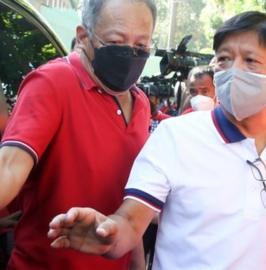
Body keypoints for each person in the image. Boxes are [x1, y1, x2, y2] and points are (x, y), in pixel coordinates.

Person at [48, 11, 266, 270]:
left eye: (250, 61)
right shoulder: (175, 136)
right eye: (224, 59)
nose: (233, 71)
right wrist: (107, 234)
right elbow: (130, 222)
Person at [0, 0, 156, 269]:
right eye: (117, 42)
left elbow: (133, 203)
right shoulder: (52, 82)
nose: (130, 54)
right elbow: (9, 167)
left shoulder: (140, 103)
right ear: (84, 36)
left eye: (141, 46)